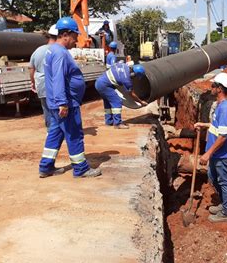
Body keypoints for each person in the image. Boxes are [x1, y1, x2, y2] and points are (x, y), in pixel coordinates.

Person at [39, 17, 102, 178]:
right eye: (75, 36)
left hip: (55, 101)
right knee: (74, 134)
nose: (76, 40)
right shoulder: (60, 53)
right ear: (66, 34)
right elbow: (58, 78)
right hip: (66, 102)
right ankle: (81, 169)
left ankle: (46, 167)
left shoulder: (52, 50)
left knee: (55, 133)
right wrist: (63, 103)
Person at [194, 72, 227, 223]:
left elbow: (223, 136)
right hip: (215, 153)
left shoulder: (225, 108)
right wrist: (204, 125)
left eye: (213, 85)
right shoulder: (220, 106)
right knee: (213, 178)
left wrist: (208, 154)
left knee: (224, 181)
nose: (211, 88)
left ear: (219, 89)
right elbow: (218, 128)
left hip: (222, 154)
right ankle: (224, 204)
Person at [95, 63, 148, 129]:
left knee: (108, 103)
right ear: (133, 74)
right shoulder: (127, 80)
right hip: (105, 85)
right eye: (135, 76)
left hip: (99, 82)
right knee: (117, 101)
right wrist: (141, 102)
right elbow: (131, 94)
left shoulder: (124, 66)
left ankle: (109, 121)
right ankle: (117, 123)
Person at [29, 25, 57, 129]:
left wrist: (33, 82)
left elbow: (31, 69)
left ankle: (50, 132)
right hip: (54, 85)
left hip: (41, 85)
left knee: (47, 111)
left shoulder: (38, 50)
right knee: (58, 110)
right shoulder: (58, 50)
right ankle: (57, 133)